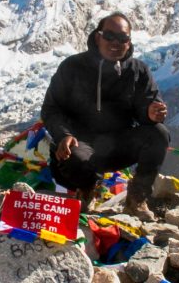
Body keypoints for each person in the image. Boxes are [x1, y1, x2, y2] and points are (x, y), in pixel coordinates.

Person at [41, 12, 169, 220]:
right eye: (109, 36)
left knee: (158, 134)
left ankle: (137, 198)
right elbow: (51, 109)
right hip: (78, 143)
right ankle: (86, 190)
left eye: (123, 38)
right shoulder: (72, 67)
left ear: (129, 42)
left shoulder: (138, 71)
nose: (115, 43)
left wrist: (152, 114)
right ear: (98, 36)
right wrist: (63, 134)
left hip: (118, 145)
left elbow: (147, 108)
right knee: (77, 158)